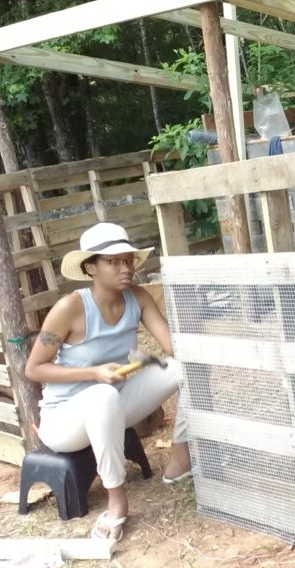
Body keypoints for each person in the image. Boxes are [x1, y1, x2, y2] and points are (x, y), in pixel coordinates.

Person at [25, 222, 192, 540]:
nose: (124, 268)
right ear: (91, 267)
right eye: (113, 262)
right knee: (101, 395)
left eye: (127, 260)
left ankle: (179, 461)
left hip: (115, 402)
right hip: (65, 421)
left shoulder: (138, 298)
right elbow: (34, 369)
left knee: (183, 367)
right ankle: (117, 502)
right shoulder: (70, 307)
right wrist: (93, 372)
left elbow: (171, 348)